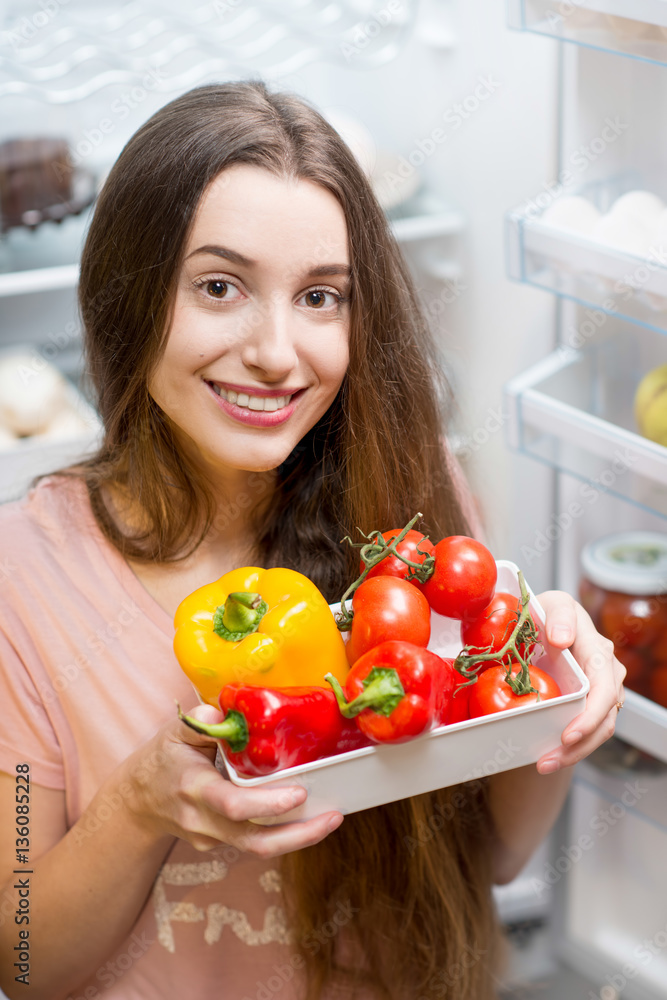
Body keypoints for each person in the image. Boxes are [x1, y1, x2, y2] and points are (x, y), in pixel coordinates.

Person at [0, 80, 625, 1000]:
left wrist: (554, 708)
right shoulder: (26, 573)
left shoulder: (411, 507)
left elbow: (490, 856)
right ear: (127, 294)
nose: (277, 352)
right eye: (220, 286)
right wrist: (142, 806)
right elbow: (21, 961)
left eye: (322, 296)